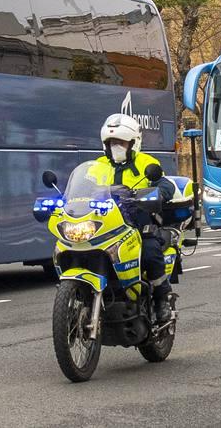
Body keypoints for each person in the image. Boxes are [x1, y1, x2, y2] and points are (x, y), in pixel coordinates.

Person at [85, 113, 176, 325]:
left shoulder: (147, 163)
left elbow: (166, 185)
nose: (116, 146)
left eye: (121, 142)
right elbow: (84, 188)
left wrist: (157, 194)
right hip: (106, 226)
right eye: (111, 142)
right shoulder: (97, 165)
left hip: (138, 224)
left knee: (151, 252)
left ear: (133, 143)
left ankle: (162, 299)